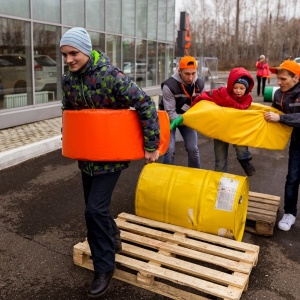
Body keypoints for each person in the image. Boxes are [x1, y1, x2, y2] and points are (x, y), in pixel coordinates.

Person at [60, 27, 160, 297]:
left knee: (93, 210)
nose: (69, 59)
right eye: (64, 55)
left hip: (111, 157)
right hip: (86, 156)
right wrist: (67, 139)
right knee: (97, 209)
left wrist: (151, 145)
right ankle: (113, 236)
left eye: (73, 53)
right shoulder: (68, 80)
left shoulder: (111, 76)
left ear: (86, 49)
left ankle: (104, 267)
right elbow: (68, 112)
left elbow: (145, 104)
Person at [191, 67, 256, 176]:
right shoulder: (222, 94)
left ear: (247, 89)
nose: (238, 91)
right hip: (220, 130)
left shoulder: (247, 99)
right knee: (220, 160)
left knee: (242, 149)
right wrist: (192, 109)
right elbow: (204, 96)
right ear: (231, 86)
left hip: (236, 130)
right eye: (235, 87)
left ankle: (245, 161)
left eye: (242, 88)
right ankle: (219, 180)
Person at [264, 60, 300, 231]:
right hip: (297, 145)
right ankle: (290, 213)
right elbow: (273, 114)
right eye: (278, 78)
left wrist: (282, 118)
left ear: (296, 78)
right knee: (292, 179)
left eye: (283, 79)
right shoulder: (278, 94)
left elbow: (281, 117)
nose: (279, 82)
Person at [160, 55, 205, 168]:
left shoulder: (200, 84)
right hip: (169, 118)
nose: (191, 78)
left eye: (193, 73)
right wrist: (186, 119)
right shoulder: (168, 86)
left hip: (187, 118)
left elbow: (203, 106)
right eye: (187, 74)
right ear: (179, 71)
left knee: (193, 149)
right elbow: (171, 113)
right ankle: (167, 174)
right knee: (169, 149)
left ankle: (195, 174)